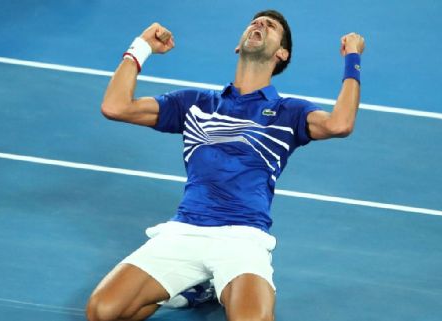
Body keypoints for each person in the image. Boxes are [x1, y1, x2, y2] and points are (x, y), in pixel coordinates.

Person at [86, 9, 365, 321]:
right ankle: (192, 287)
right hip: (184, 232)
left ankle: (207, 285)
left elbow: (340, 123)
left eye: (270, 26)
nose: (259, 23)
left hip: (242, 238)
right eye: (255, 21)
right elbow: (115, 106)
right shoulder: (193, 103)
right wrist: (142, 46)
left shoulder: (289, 112)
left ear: (281, 53)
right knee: (102, 312)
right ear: (238, 45)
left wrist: (352, 58)